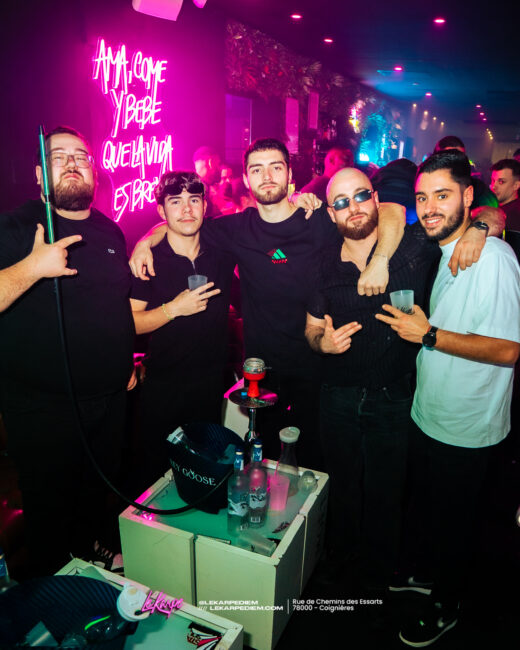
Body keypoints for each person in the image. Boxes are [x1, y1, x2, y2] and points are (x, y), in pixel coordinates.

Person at [129, 138, 405, 469]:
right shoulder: (235, 229)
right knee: (267, 462)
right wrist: (145, 241)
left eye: (276, 167)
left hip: (319, 363)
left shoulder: (319, 218)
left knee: (317, 461)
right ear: (246, 179)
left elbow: (392, 210)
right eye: (257, 170)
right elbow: (182, 222)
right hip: (262, 371)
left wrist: (381, 260)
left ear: (290, 174)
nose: (268, 176)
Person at [305, 166, 499, 594]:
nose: (353, 208)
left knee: (386, 494)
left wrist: (481, 228)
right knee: (341, 485)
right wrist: (323, 343)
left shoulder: (413, 247)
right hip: (337, 397)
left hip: (393, 399)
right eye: (341, 202)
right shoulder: (322, 262)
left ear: (376, 199)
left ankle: (376, 579)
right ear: (331, 214)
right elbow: (311, 328)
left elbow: (486, 212)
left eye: (361, 196)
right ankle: (340, 556)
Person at [376, 149, 520, 647]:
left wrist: (429, 335)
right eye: (422, 198)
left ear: (468, 196)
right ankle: (425, 574)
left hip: (467, 423)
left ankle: (447, 606)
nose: (430, 207)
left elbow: (508, 349)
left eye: (442, 195)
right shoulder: (446, 248)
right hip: (431, 413)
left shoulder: (493, 259)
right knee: (432, 512)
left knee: (457, 524)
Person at [0, 126, 135, 575]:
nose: (73, 163)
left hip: (108, 400)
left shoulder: (109, 229)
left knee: (95, 494)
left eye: (81, 155)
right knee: (51, 511)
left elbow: (114, 303)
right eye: (59, 157)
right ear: (40, 175)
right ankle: (53, 592)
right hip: (44, 408)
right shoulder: (16, 227)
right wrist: (32, 267)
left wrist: (125, 359)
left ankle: (91, 550)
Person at [130, 171, 235, 489]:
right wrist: (173, 309)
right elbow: (130, 321)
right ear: (161, 211)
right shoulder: (149, 261)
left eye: (194, 200)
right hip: (164, 388)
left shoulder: (222, 251)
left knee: (203, 476)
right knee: (157, 478)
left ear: (205, 205)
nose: (187, 209)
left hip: (211, 386)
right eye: (175, 202)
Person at [434, 135, 498, 209]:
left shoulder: (478, 189)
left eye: (461, 157)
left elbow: (491, 211)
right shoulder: (427, 185)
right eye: (450, 157)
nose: (457, 162)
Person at [193, 145, 222, 218]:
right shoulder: (200, 190)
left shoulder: (191, 186)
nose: (220, 168)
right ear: (210, 163)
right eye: (218, 164)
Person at [490, 158, 520, 229]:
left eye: (501, 182)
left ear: (516, 185)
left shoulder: (514, 215)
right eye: (493, 180)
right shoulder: (495, 207)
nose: (493, 186)